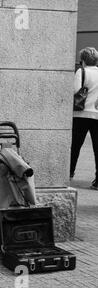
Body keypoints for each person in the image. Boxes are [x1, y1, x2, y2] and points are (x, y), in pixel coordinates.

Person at [70, 47, 98, 190]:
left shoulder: (82, 71)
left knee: (75, 146)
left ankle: (69, 173)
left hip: (81, 115)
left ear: (83, 60)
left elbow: (75, 90)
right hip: (97, 115)